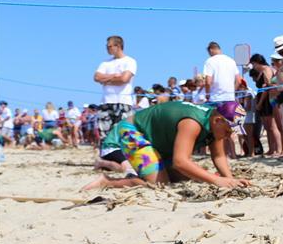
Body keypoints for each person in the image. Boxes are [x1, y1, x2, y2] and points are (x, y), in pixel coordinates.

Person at [83, 101, 251, 190]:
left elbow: (219, 156)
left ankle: (150, 173)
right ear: (218, 120)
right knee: (157, 184)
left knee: (188, 176)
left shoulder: (214, 122)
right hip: (134, 131)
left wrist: (229, 180)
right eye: (229, 131)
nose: (230, 136)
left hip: (159, 141)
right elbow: (180, 161)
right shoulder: (192, 122)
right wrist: (217, 180)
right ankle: (107, 182)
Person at [94, 35, 137, 141]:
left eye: (109, 46)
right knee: (104, 136)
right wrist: (114, 76)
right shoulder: (105, 63)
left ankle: (122, 157)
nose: (107, 48)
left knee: (123, 135)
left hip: (123, 102)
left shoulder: (130, 61)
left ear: (117, 46)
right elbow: (96, 77)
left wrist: (105, 80)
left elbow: (124, 79)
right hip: (106, 102)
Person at [203, 41, 242, 157]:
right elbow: (239, 81)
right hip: (230, 98)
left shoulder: (210, 61)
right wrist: (232, 92)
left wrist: (207, 94)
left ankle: (221, 154)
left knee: (216, 128)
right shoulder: (231, 60)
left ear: (210, 50)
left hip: (216, 98)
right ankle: (233, 154)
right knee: (229, 128)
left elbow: (208, 81)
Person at [248, 54, 283, 157]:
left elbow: (267, 88)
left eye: (253, 64)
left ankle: (278, 149)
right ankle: (271, 149)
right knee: (268, 127)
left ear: (257, 62)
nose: (253, 66)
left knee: (273, 127)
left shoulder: (267, 70)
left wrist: (260, 103)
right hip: (263, 100)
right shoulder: (261, 72)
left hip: (267, 100)